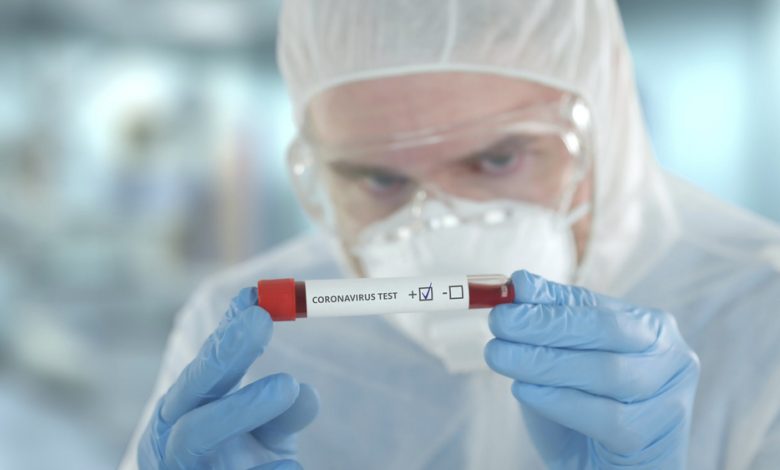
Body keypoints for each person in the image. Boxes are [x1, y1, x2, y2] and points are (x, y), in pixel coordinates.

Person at [121, 1, 780, 468]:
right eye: (379, 179)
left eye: (497, 161)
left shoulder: (760, 318)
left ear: (606, 129)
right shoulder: (244, 336)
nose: (438, 233)